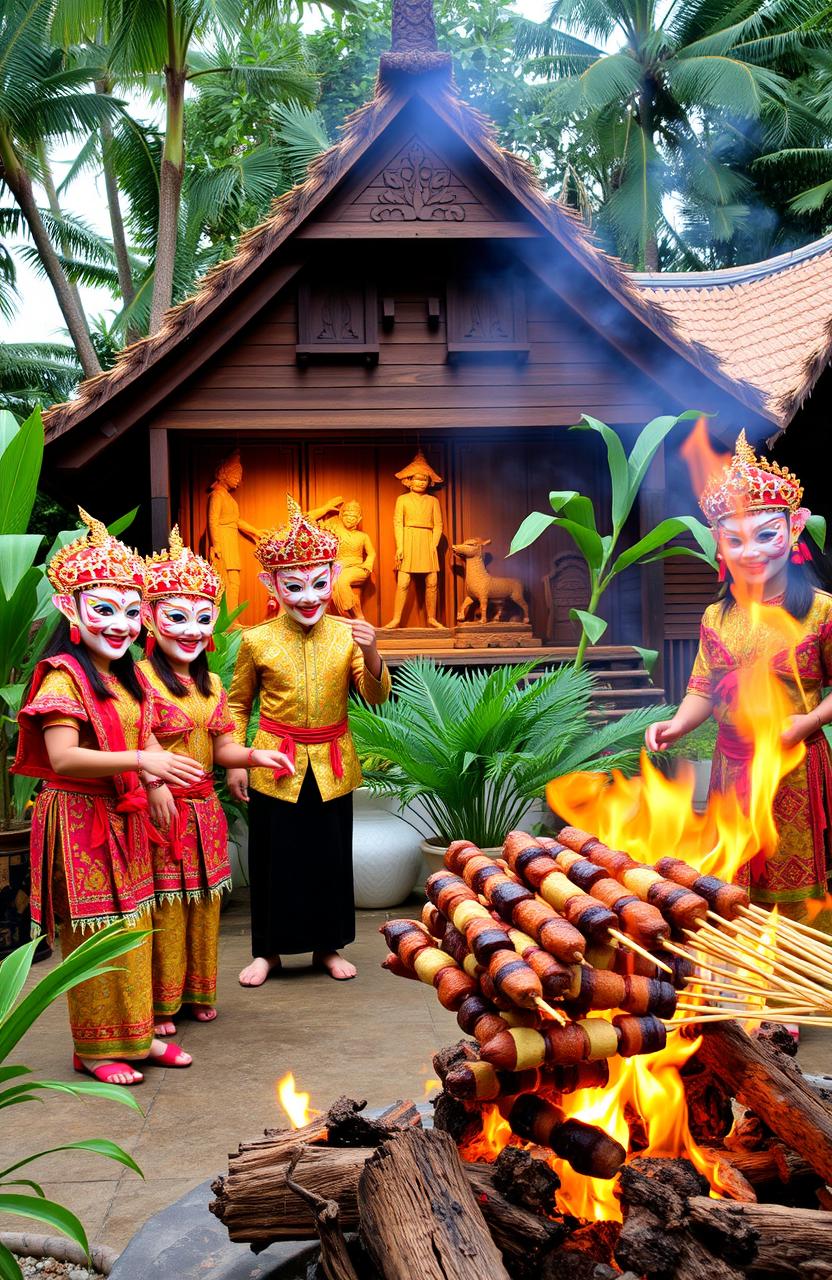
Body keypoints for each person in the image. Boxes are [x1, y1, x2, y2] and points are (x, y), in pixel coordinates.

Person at [13, 510, 202, 1085]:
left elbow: (143, 730)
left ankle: (138, 1039)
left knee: (134, 926)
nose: (119, 624)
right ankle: (94, 1051)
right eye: (104, 608)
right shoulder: (61, 677)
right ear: (71, 609)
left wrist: (155, 781)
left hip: (125, 814)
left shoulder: (126, 675)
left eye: (127, 610)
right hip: (77, 818)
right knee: (96, 931)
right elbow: (65, 758)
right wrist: (144, 763)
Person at [645, 431, 832, 922]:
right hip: (732, 765)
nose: (751, 551)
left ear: (793, 530)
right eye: (735, 539)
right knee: (734, 882)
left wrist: (808, 722)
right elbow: (702, 687)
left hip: (791, 762)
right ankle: (744, 973)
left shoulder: (820, 612)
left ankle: (804, 977)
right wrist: (678, 725)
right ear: (719, 545)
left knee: (796, 881)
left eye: (766, 534)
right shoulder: (715, 617)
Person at [227, 496, 392, 986]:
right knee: (275, 859)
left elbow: (375, 697)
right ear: (271, 584)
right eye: (294, 586)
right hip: (273, 759)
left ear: (333, 577)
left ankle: (328, 947)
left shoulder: (346, 636)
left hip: (334, 758)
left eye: (319, 584)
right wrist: (237, 760)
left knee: (329, 857)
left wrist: (374, 651)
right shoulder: (256, 640)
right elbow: (237, 704)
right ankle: (269, 953)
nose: (308, 596)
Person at [140, 528, 294, 1031]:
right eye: (178, 618)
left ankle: (197, 992)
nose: (191, 630)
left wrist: (255, 756)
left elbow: (222, 744)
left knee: (205, 902)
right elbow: (130, 739)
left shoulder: (211, 682)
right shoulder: (136, 680)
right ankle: (163, 1004)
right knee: (167, 904)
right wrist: (155, 783)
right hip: (159, 809)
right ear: (150, 619)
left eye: (203, 619)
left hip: (202, 807)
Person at [384, 452, 444, 629]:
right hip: (408, 539)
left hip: (427, 541)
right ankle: (396, 619)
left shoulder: (433, 501)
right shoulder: (402, 499)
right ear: (409, 481)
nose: (420, 482)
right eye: (417, 479)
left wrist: (433, 544)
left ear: (429, 482)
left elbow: (438, 525)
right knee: (403, 582)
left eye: (424, 479)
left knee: (432, 582)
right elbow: (397, 523)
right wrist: (400, 547)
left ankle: (432, 618)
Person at [207, 450, 265, 613]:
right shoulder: (217, 495)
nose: (239, 479)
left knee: (234, 582)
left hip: (230, 541)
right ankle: (225, 620)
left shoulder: (227, 497)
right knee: (226, 582)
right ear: (225, 474)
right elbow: (213, 520)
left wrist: (255, 532)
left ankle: (232, 617)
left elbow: (236, 520)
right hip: (223, 541)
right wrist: (216, 544)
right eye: (236, 474)